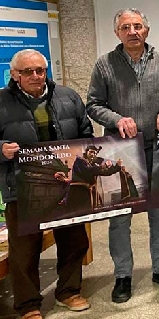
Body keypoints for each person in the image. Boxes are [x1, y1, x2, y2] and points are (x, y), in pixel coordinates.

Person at [86, 8, 159, 303]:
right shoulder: (104, 65)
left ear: (146, 31)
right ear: (117, 32)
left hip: (158, 148)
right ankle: (122, 275)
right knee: (119, 217)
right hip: (119, 153)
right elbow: (93, 104)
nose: (132, 31)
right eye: (126, 27)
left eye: (138, 26)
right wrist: (116, 119)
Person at [0, 49, 93, 319]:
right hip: (22, 186)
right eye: (27, 71)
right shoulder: (1, 102)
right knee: (24, 249)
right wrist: (2, 149)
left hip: (66, 183)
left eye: (40, 69)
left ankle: (69, 292)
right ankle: (28, 305)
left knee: (74, 240)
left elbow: (85, 132)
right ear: (14, 74)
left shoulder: (68, 97)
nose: (35, 76)